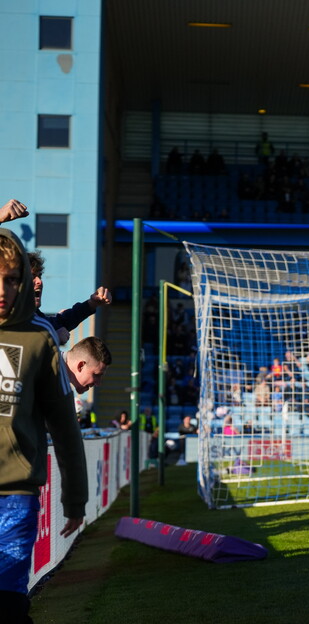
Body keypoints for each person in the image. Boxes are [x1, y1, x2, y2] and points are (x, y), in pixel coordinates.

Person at [0, 228, 85, 623]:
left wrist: (75, 498)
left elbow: (65, 427)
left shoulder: (40, 339)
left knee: (9, 603)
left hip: (15, 498)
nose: (3, 288)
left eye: (12, 279)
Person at [29, 251, 112, 345]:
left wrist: (92, 303)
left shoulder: (35, 316)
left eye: (40, 276)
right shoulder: (13, 319)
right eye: (32, 276)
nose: (39, 281)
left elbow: (60, 322)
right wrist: (52, 338)